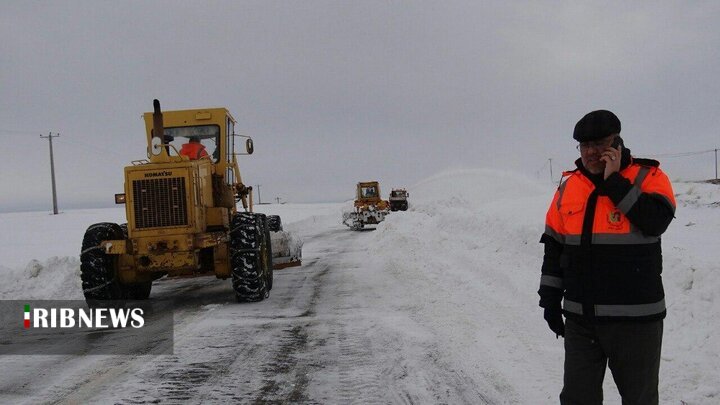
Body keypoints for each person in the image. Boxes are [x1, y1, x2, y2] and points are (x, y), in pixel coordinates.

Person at [538, 110, 676, 404]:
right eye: (584, 145)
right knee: (577, 398)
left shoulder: (649, 176)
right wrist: (549, 298)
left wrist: (614, 182)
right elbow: (555, 246)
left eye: (599, 144)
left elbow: (656, 222)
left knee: (640, 399)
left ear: (617, 143)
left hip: (636, 322)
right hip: (581, 320)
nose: (590, 152)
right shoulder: (569, 185)